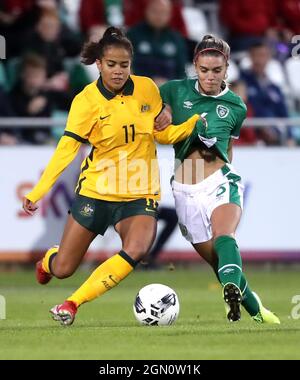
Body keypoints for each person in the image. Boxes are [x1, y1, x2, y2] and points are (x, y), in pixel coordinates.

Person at [22, 26, 201, 326]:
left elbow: (163, 133)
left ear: (131, 64)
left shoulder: (147, 89)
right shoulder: (86, 101)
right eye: (111, 65)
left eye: (124, 65)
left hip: (139, 191)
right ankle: (51, 259)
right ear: (99, 64)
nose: (118, 72)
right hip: (97, 191)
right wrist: (37, 192)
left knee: (138, 248)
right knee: (64, 267)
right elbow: (66, 149)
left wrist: (193, 122)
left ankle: (72, 303)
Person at [159, 34, 280, 324]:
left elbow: (228, 147)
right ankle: (255, 310)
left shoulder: (236, 106)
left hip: (220, 181)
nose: (210, 77)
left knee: (225, 237)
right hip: (184, 190)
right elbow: (154, 110)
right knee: (219, 262)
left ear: (227, 69)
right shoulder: (174, 91)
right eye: (204, 70)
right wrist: (162, 113)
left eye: (216, 71)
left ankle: (235, 293)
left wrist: (223, 165)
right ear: (195, 67)